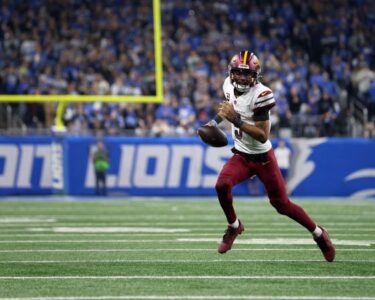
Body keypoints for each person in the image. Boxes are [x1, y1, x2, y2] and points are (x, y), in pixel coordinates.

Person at [205, 50, 335, 262]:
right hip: (241, 155)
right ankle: (234, 226)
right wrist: (213, 122)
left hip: (262, 157)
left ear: (256, 75)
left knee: (281, 204)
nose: (242, 78)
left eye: (247, 74)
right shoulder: (228, 85)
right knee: (222, 185)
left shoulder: (261, 94)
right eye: (238, 73)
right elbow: (228, 109)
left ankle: (319, 234)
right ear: (231, 73)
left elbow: (262, 135)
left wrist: (236, 120)